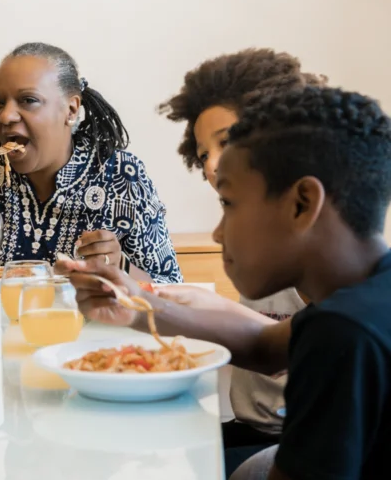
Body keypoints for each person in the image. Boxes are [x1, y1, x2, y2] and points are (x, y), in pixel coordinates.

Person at [59, 86, 391, 479]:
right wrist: (134, 302)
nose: (217, 234)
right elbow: (261, 346)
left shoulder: (344, 335)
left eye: (228, 204)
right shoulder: (361, 300)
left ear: (301, 204)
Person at [157, 49, 327, 474]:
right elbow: (266, 345)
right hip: (249, 428)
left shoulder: (314, 249)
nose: (212, 165)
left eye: (228, 141)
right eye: (202, 155)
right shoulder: (262, 229)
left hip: (285, 439)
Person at [0, 42, 181, 283]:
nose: (5, 117)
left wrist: (121, 267)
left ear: (71, 110)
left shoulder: (121, 176)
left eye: (28, 101)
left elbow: (171, 286)